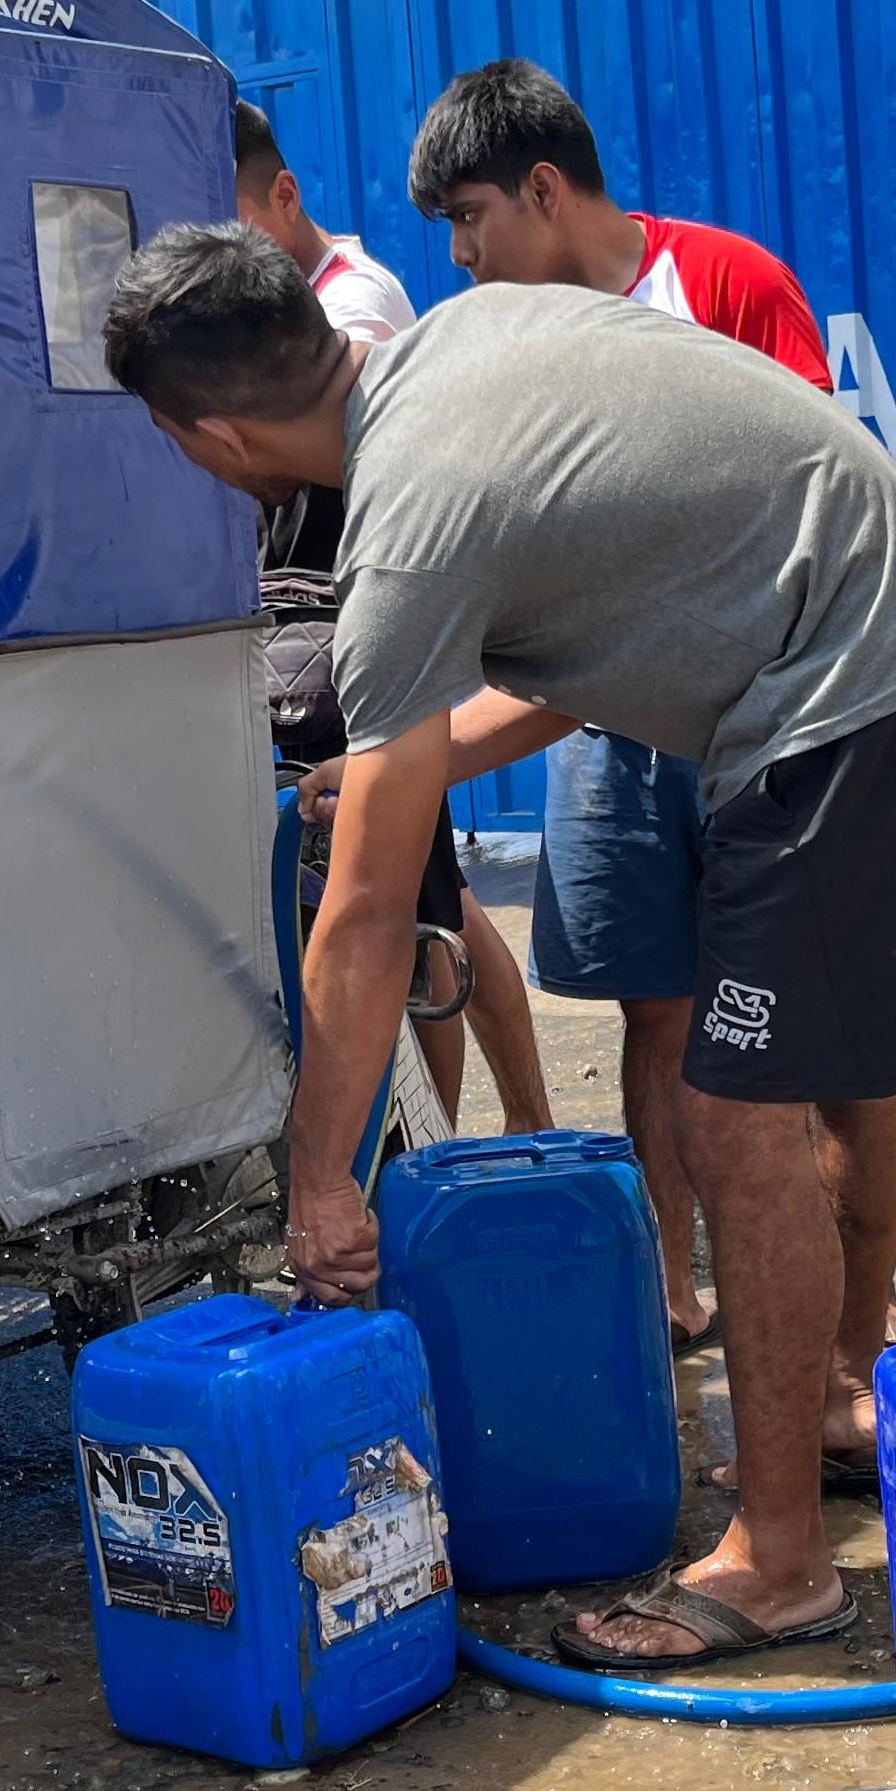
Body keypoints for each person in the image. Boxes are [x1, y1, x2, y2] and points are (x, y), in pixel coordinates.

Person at [101, 224, 896, 1676]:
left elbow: (371, 913)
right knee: (811, 1086)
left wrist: (321, 1180)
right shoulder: (462, 343)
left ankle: (783, 1566)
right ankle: (830, 1410)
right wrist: (411, 762)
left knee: (733, 1119)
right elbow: (601, 645)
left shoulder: (404, 517)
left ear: (209, 433)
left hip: (851, 703)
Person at [404, 56, 833, 1350]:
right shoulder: (499, 347)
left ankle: (814, 1309)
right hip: (601, 731)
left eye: (473, 219)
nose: (464, 257)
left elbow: (811, 493)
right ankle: (669, 1278)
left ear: (544, 190)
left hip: (756, 727)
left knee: (783, 1028)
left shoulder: (725, 283)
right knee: (655, 1010)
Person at [232, 100, 550, 1134]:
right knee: (438, 913)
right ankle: (492, 1134)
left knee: (413, 923)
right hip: (333, 661)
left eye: (237, 220)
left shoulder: (351, 303)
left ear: (285, 195)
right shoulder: (289, 304)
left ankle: (432, 1150)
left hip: (376, 648)